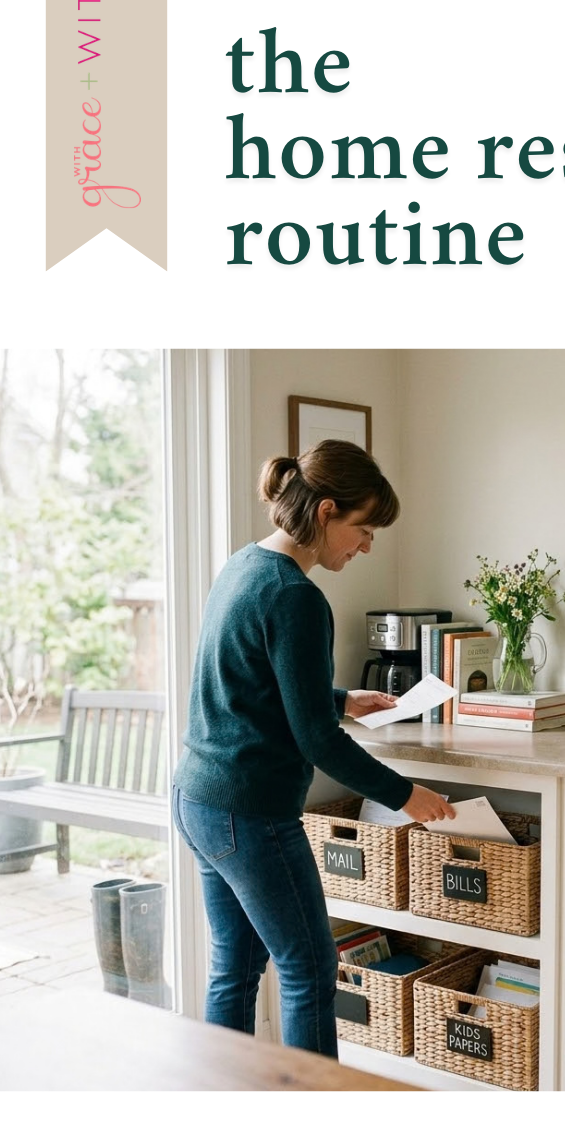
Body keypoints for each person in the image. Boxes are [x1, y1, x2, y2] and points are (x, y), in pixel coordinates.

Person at [171, 438, 454, 1056]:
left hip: (198, 799)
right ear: (327, 512)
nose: (367, 546)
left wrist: (341, 698)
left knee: (235, 968)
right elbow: (316, 740)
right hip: (250, 813)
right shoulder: (296, 595)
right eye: (363, 529)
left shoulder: (244, 564)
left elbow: (248, 684)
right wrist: (405, 795)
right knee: (309, 969)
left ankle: (221, 1094)